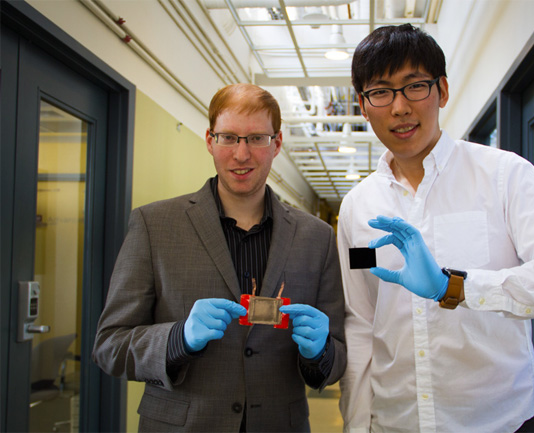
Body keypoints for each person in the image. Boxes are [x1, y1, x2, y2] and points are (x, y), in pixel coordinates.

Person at [337, 24, 534, 433]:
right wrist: (356, 425)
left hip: (500, 421)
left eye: (415, 87)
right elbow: (361, 324)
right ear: (363, 104)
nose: (400, 107)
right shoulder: (357, 207)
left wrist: (454, 287)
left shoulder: (502, 175)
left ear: (442, 90)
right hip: (395, 422)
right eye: (381, 92)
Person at [93, 83, 346, 432]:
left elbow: (336, 361)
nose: (241, 154)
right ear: (210, 140)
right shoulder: (154, 225)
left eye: (257, 138)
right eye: (229, 137)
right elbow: (109, 346)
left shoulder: (317, 237)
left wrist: (321, 352)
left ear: (277, 143)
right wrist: (177, 338)